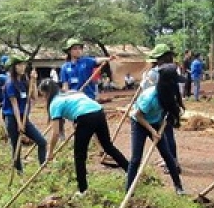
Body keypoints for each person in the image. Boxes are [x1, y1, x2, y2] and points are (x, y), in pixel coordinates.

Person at [37, 79, 129, 196]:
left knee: (79, 155)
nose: (43, 98)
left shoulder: (54, 103)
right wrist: (76, 122)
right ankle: (129, 169)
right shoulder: (70, 92)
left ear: (46, 93)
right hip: (98, 111)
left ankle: (82, 190)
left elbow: (55, 133)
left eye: (43, 95)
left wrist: (50, 152)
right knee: (107, 146)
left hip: (85, 117)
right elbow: (76, 107)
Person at [127, 65, 186, 195]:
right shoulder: (150, 97)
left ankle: (179, 187)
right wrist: (153, 132)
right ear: (168, 82)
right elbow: (138, 115)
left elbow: (171, 110)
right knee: (136, 158)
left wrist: (169, 119)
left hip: (156, 123)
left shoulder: (170, 93)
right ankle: (129, 190)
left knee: (167, 155)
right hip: (139, 124)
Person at [3, 55, 47, 174]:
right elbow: (14, 105)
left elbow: (35, 97)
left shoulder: (24, 81)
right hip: (13, 118)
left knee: (42, 142)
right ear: (13, 67)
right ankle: (19, 171)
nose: (22, 67)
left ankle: (43, 168)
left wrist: (33, 82)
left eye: (23, 64)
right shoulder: (10, 83)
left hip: (24, 118)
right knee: (16, 145)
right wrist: (19, 123)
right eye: (19, 65)